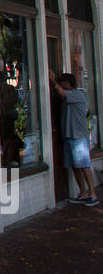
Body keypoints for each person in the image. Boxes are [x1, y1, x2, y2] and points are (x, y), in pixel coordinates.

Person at [49, 70, 99, 204]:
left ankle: (93, 194)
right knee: (75, 167)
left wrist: (52, 80)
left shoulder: (78, 94)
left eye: (62, 81)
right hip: (69, 136)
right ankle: (83, 193)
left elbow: (61, 92)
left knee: (84, 166)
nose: (60, 84)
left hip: (78, 137)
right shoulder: (67, 97)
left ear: (68, 83)